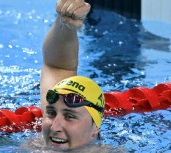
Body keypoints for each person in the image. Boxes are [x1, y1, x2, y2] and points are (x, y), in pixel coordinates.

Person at [39, 0, 107, 151]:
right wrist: (65, 25)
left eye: (70, 116)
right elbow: (57, 66)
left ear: (95, 128)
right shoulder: (36, 147)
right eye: (50, 113)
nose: (55, 127)